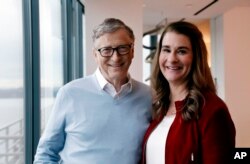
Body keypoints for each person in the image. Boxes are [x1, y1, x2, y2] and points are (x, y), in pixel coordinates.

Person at [34, 18, 153, 164]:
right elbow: (45, 154)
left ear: (132, 51)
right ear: (95, 55)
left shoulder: (149, 96)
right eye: (106, 50)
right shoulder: (70, 93)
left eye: (122, 48)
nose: (115, 57)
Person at [141, 21, 236, 164]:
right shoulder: (158, 107)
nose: (172, 59)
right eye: (166, 50)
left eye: (181, 51)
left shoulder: (213, 110)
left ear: (196, 58)